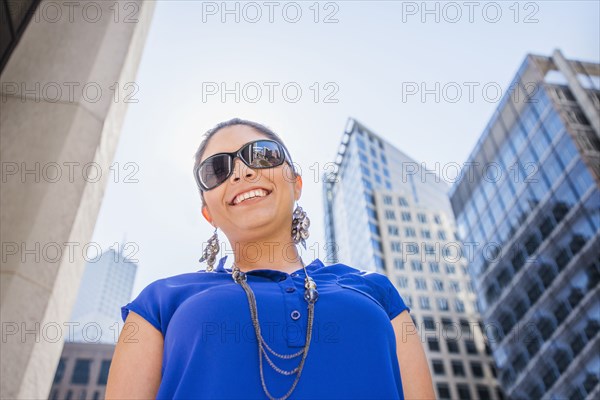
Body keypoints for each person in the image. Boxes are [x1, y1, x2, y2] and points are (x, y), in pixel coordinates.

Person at [106, 118, 435, 400]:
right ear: (208, 213)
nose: (242, 172)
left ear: (296, 183)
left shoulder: (376, 291)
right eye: (217, 169)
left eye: (262, 155)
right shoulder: (159, 302)